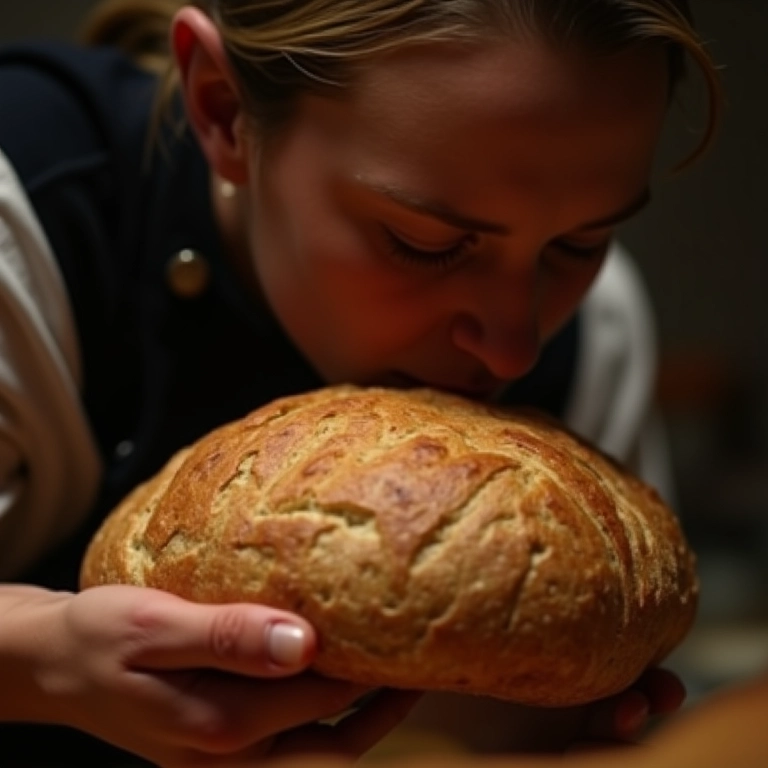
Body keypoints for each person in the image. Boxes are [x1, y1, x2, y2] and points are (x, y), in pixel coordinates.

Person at [0, 0, 722, 766]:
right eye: (428, 243)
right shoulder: (29, 216)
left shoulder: (596, 328)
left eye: (581, 243)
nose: (516, 348)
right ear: (221, 110)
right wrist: (34, 662)